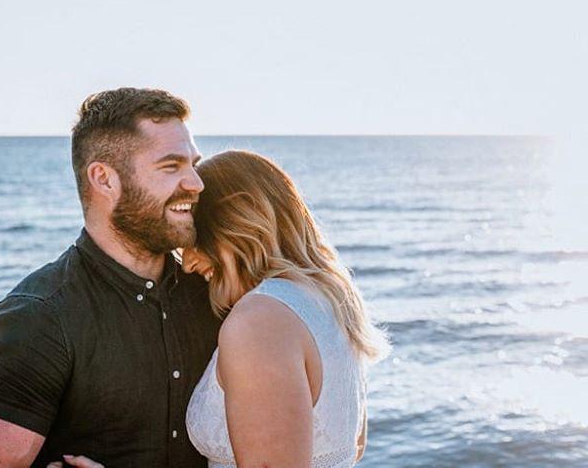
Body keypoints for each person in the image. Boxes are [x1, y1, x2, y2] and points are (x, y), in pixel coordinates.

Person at [58, 150, 390, 468]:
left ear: (237, 228)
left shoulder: (260, 323)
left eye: (193, 239)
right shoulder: (330, 302)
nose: (186, 263)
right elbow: (352, 449)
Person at [0, 88, 221, 468]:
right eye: (171, 166)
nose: (196, 183)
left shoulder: (215, 295)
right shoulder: (36, 322)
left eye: (193, 164)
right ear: (104, 179)